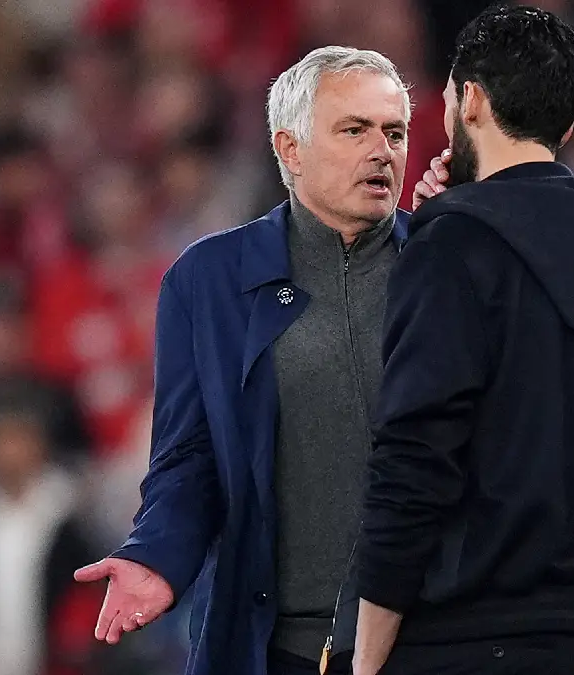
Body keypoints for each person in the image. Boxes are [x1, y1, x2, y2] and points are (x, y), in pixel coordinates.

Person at [339, 6, 574, 675]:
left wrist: (365, 656)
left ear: (472, 100)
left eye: (451, 94)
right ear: (564, 124)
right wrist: (451, 218)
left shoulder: (456, 248)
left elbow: (414, 461)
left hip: (471, 638)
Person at [72, 46, 412, 675]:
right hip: (276, 646)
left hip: (429, 641)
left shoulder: (442, 265)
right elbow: (188, 455)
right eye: (355, 130)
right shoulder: (208, 281)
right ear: (290, 150)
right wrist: (157, 555)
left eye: (395, 132)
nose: (382, 150)